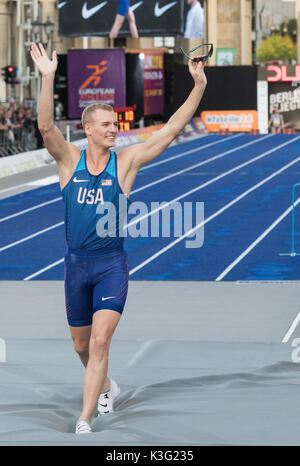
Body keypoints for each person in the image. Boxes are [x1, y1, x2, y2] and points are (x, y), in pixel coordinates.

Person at [30, 42, 207, 434]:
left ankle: (84, 418)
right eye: (107, 125)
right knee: (80, 346)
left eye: (117, 124)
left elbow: (171, 130)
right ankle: (107, 384)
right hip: (76, 266)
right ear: (88, 129)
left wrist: (198, 85)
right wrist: (47, 78)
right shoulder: (68, 162)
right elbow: (45, 127)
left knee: (98, 344)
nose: (115, 129)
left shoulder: (125, 163)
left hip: (111, 265)